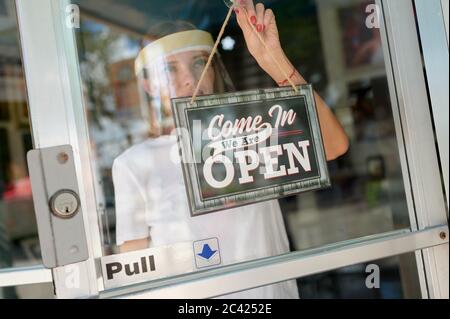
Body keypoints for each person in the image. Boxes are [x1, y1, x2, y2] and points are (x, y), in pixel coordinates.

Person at [112, 1, 349, 299]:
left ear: (213, 69)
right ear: (148, 85)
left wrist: (272, 59)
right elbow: (135, 273)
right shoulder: (135, 163)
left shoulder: (252, 131)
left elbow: (334, 145)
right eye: (169, 68)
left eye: (199, 63)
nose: (190, 78)